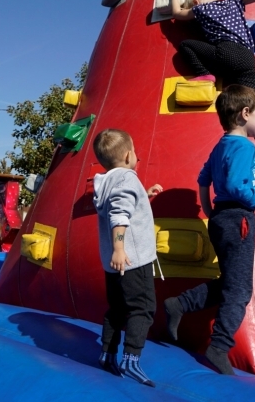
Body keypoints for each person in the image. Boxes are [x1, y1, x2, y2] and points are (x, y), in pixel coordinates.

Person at [163, 84, 255, 375]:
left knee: (229, 283)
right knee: (239, 291)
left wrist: (210, 210)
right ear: (245, 113)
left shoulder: (220, 146)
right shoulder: (244, 146)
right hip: (237, 219)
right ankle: (219, 346)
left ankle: (179, 304)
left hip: (221, 219)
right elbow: (239, 187)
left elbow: (203, 179)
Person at [169, 0, 255, 170]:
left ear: (196, 1)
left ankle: (204, 74)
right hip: (247, 58)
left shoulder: (200, 8)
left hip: (225, 52)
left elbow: (177, 12)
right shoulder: (233, 1)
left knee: (187, 45)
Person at [92, 128, 163, 387]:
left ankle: (107, 353)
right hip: (132, 260)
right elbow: (120, 215)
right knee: (142, 309)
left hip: (114, 263)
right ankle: (131, 360)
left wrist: (145, 195)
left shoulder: (108, 181)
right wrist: (120, 249)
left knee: (117, 309)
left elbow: (123, 206)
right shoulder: (128, 179)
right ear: (128, 155)